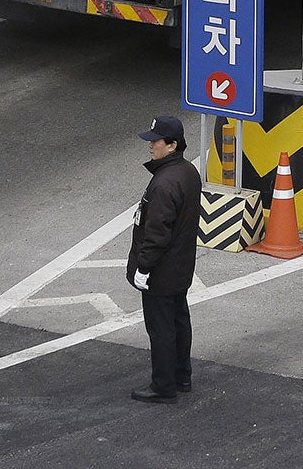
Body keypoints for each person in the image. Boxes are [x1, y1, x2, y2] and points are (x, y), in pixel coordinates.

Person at [126, 114, 202, 403]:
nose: (150, 146)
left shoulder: (164, 184)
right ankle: (182, 376)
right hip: (181, 266)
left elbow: (156, 234)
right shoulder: (187, 172)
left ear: (171, 145)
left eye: (155, 141)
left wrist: (144, 267)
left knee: (161, 329)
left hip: (162, 271)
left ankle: (163, 386)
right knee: (179, 321)